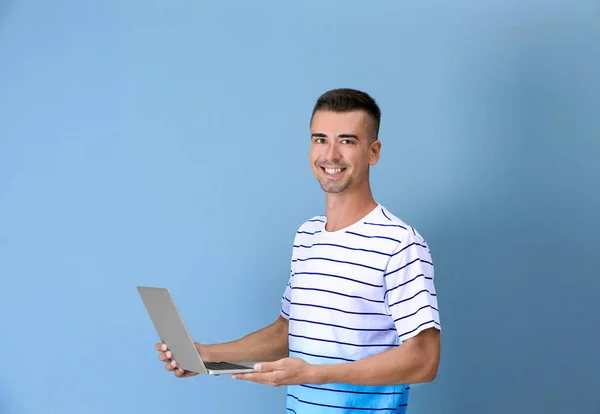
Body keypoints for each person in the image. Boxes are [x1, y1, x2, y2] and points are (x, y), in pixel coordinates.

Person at [156, 88, 441, 413]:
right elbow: (287, 331)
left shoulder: (400, 242)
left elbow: (425, 360)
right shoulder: (308, 236)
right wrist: (204, 354)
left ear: (373, 152)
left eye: (347, 141)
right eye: (320, 139)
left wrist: (316, 374)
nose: (330, 155)